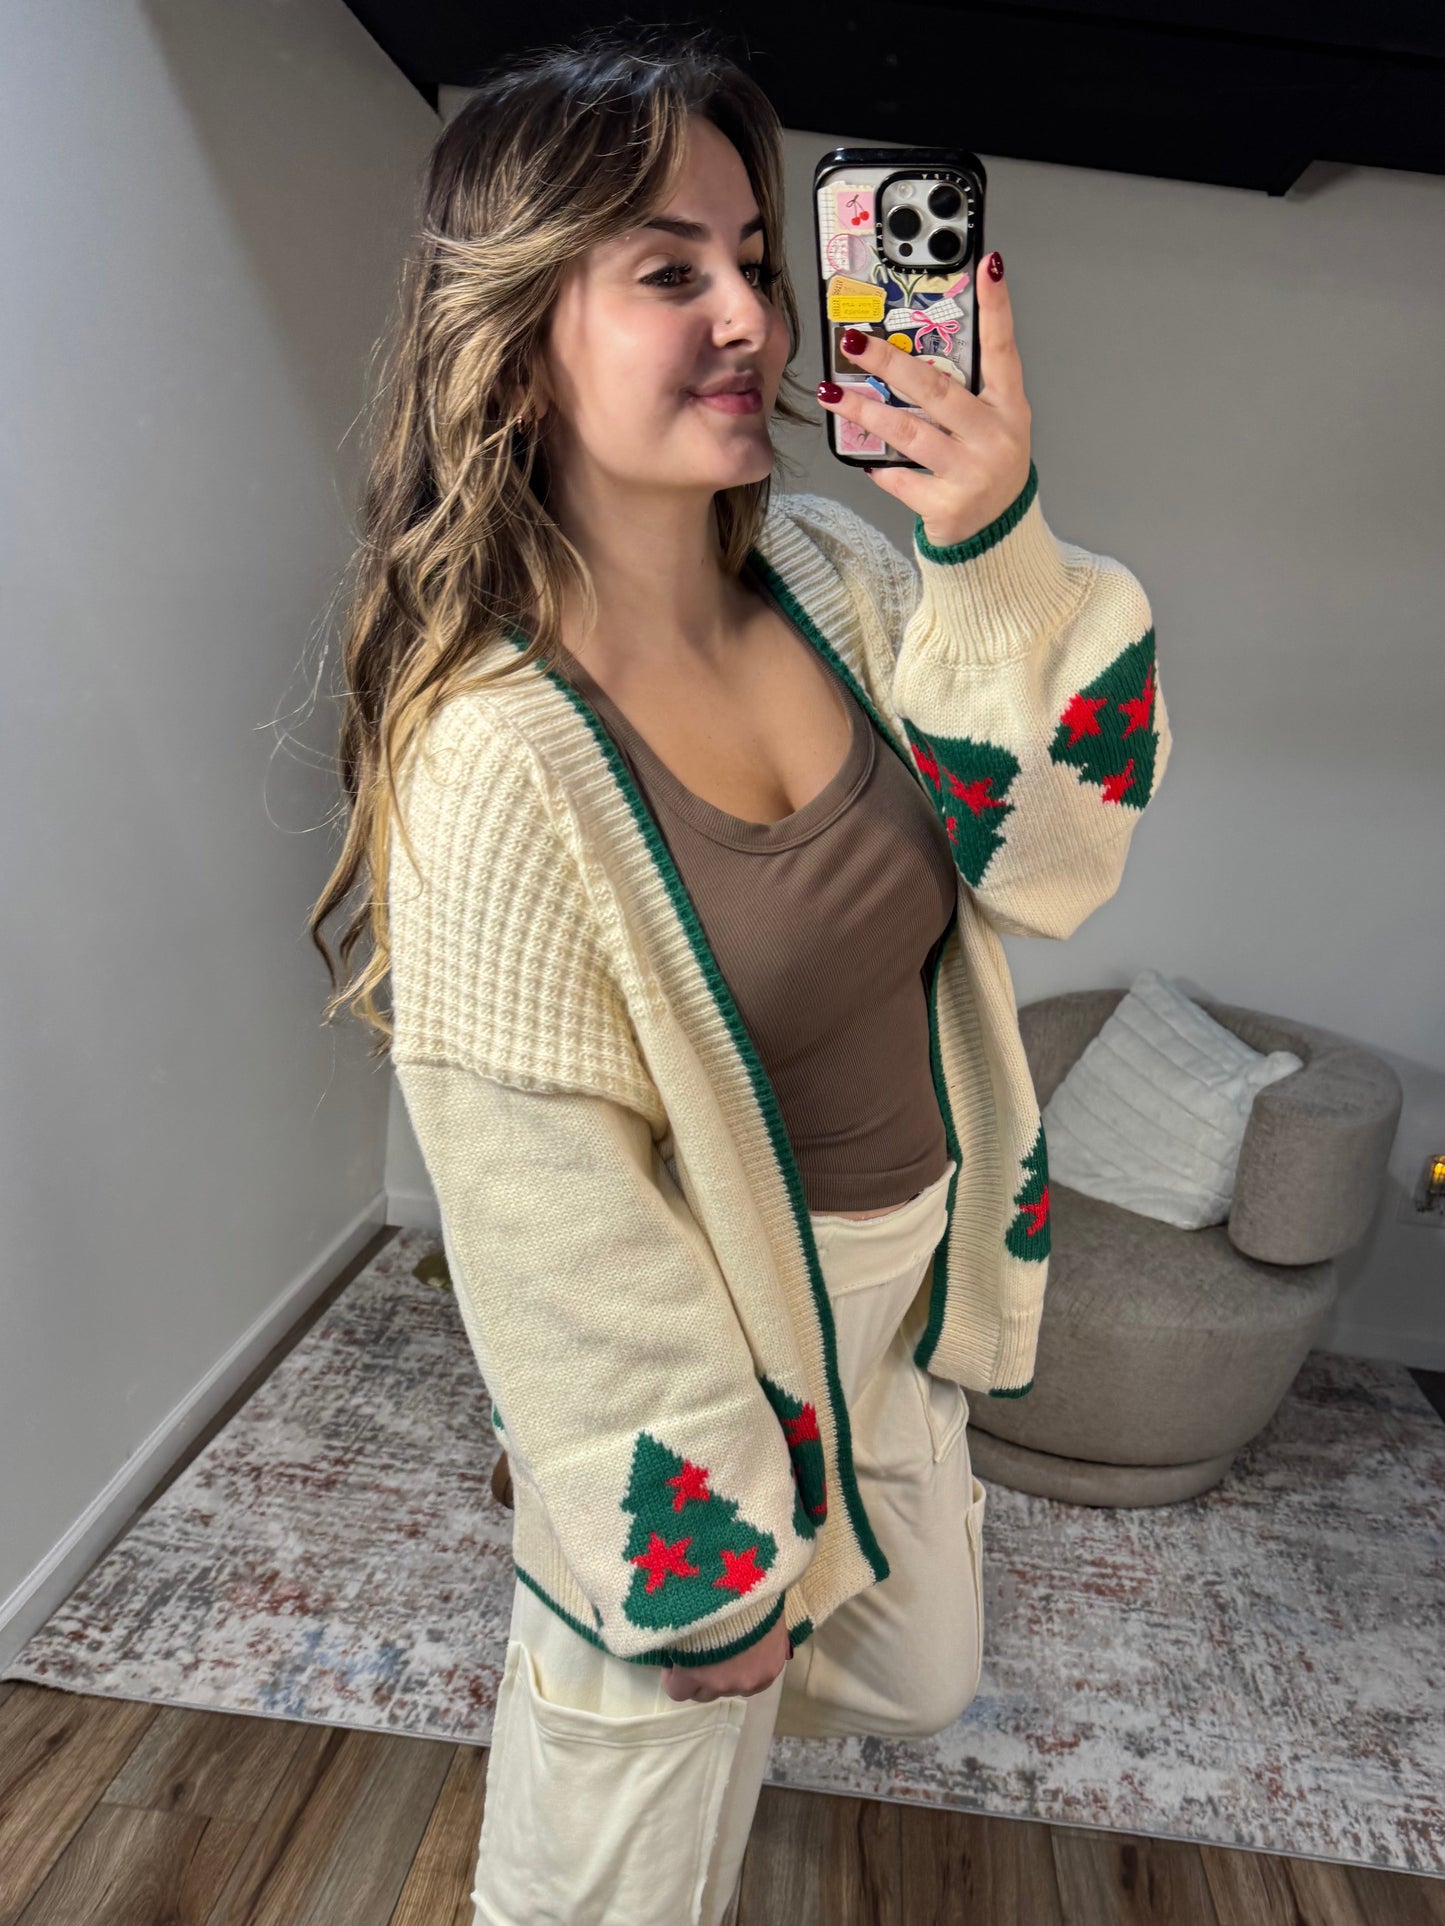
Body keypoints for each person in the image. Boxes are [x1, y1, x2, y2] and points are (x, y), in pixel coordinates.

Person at [307, 21, 1172, 1925]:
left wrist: (991, 546)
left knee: (914, 1666)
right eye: (665, 270)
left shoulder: (848, 584)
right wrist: (688, 1558)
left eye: (754, 262)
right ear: (523, 331)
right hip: (685, 1366)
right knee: (616, 1867)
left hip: (898, 1300)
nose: (749, 320)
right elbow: (546, 1215)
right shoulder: (492, 748)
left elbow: (1057, 859)